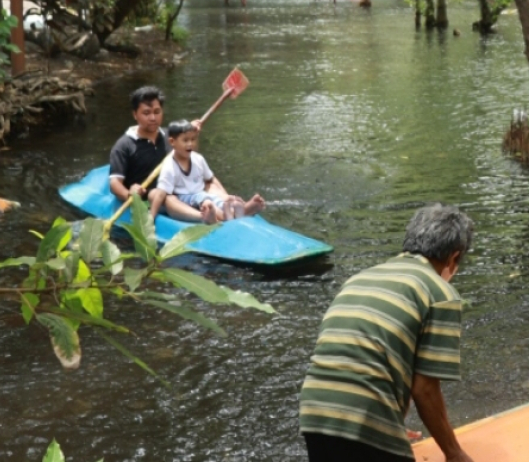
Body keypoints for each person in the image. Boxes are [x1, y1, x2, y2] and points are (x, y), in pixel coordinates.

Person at [300, 204, 477, 462]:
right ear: (454, 258)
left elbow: (362, 355)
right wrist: (453, 452)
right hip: (364, 415)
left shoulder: (360, 278)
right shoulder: (440, 293)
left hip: (315, 414)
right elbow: (425, 389)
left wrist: (388, 422)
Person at [107, 86, 205, 222]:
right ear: (135, 114)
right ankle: (204, 218)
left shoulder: (171, 138)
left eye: (157, 112)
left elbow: (190, 159)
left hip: (181, 191)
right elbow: (115, 183)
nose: (153, 118)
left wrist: (191, 135)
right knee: (167, 198)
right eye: (146, 113)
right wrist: (129, 194)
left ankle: (232, 208)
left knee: (210, 180)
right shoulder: (124, 146)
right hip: (151, 199)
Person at [154, 119, 265, 224]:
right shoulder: (169, 165)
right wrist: (151, 216)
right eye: (185, 140)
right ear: (172, 142)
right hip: (184, 198)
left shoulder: (198, 159)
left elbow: (210, 179)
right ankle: (223, 216)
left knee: (214, 198)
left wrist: (225, 197)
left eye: (193, 139)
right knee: (206, 201)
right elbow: (161, 193)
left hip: (201, 194)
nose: (190, 144)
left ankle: (235, 210)